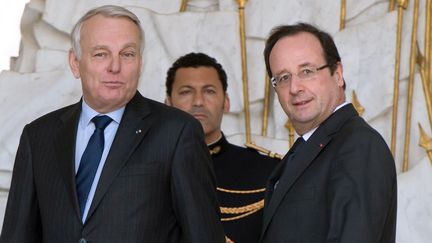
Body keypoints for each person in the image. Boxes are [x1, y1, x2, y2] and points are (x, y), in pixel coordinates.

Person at [0, 5, 225, 243]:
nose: (114, 67)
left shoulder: (177, 131)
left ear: (140, 63)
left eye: (127, 54)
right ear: (75, 63)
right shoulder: (38, 137)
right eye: (100, 54)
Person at [260, 23, 397, 243]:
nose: (295, 88)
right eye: (283, 77)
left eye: (307, 71)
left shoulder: (358, 146)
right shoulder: (309, 147)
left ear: (338, 74)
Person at [165, 52, 279, 243]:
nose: (198, 101)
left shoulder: (267, 171)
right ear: (168, 103)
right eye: (186, 91)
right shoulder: (147, 171)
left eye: (209, 91)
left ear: (226, 102)